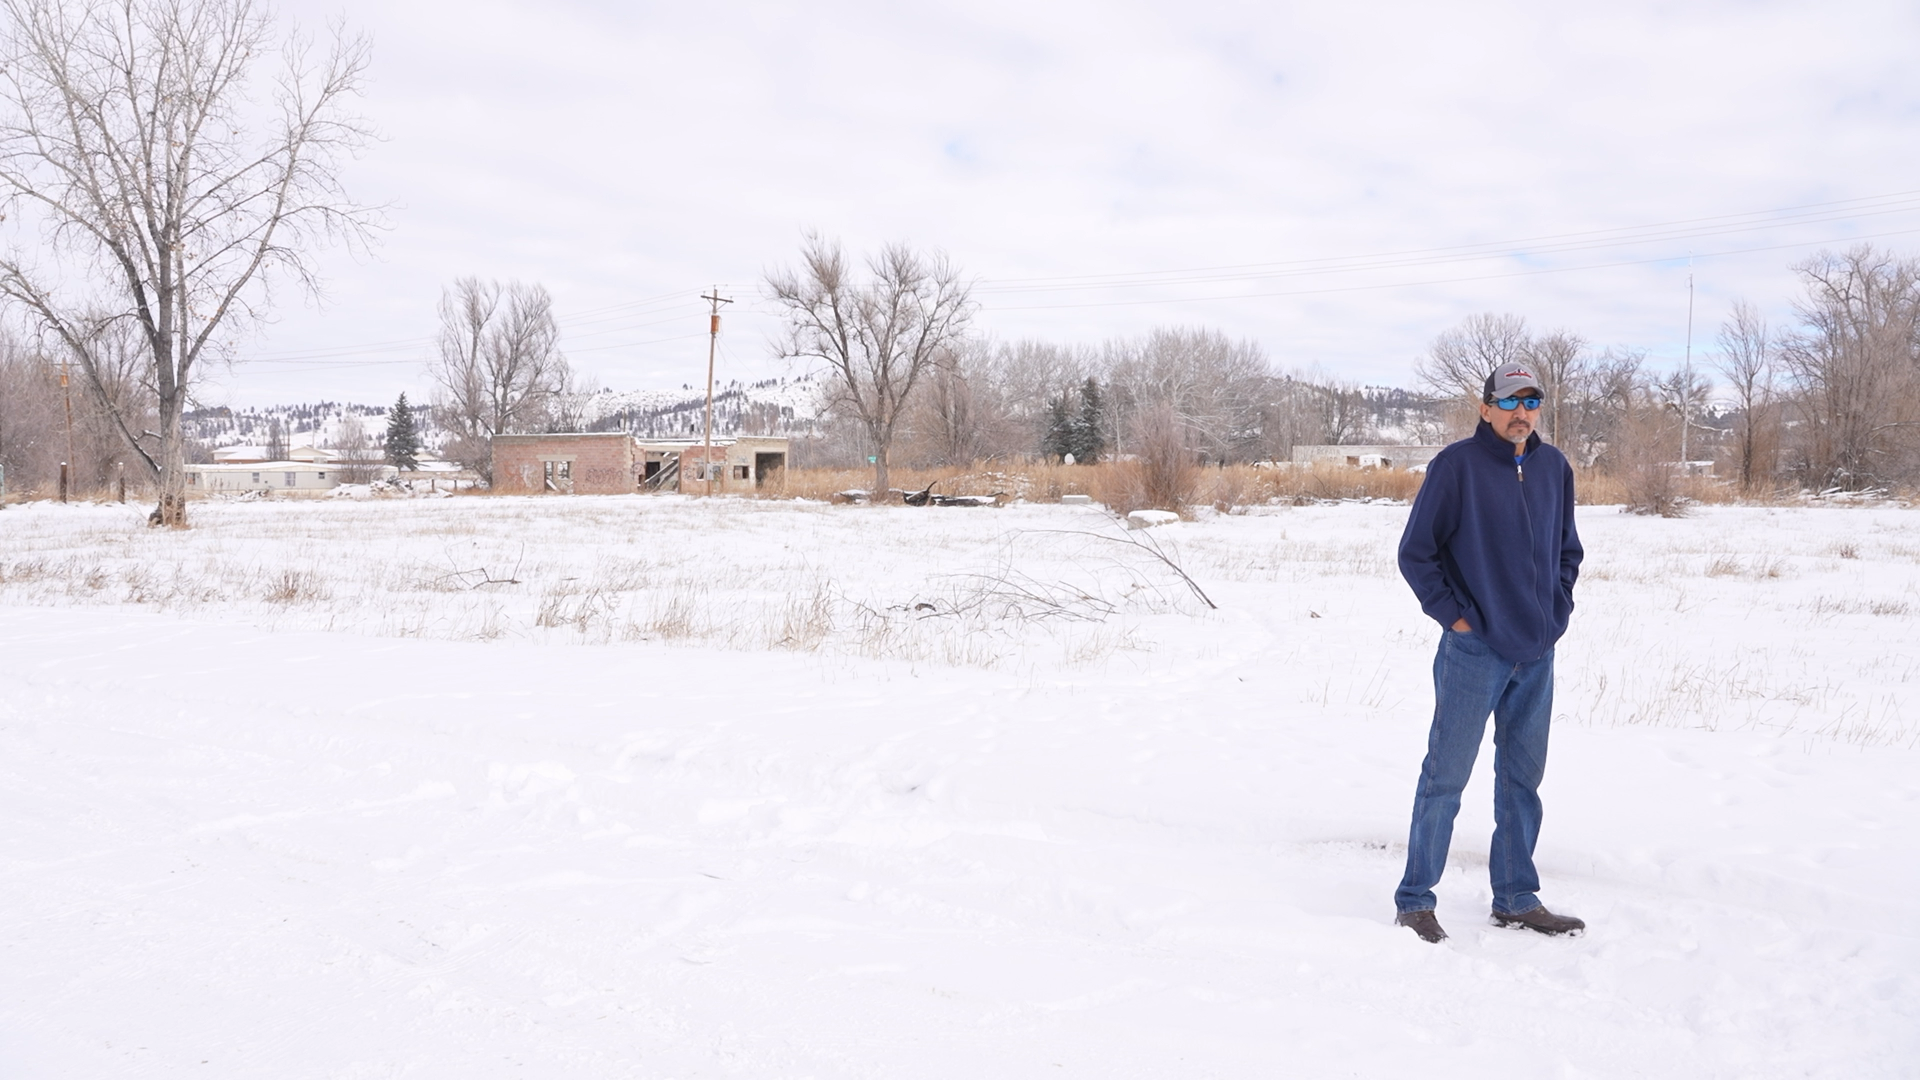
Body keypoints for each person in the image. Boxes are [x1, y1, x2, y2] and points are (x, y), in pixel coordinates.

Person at [1390, 363, 1586, 944]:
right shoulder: (1457, 467)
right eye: (1509, 402)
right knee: (1445, 778)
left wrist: (1557, 611)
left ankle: (1517, 899)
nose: (1520, 412)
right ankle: (1415, 900)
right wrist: (1458, 619)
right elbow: (1416, 553)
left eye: (1532, 401)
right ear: (1486, 408)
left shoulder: (1554, 468)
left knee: (1522, 782)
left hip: (1537, 651)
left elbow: (1567, 551)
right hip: (1474, 652)